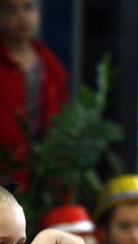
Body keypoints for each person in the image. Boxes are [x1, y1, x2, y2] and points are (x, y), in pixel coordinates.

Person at [0, 0, 69, 191]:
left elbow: (63, 125)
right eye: (10, 11)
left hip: (42, 173)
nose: (21, 17)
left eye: (28, 8)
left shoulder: (50, 65)